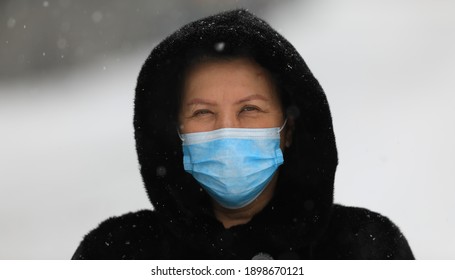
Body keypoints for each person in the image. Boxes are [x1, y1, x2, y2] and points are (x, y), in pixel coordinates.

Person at [72, 9, 414, 259]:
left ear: (288, 129)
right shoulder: (116, 253)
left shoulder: (365, 249)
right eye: (202, 113)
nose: (226, 131)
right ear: (176, 132)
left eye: (249, 109)